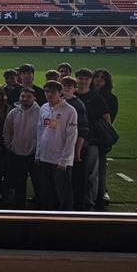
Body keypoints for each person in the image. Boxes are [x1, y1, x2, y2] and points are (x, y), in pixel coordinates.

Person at [35, 81, 78, 210]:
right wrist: (38, 153)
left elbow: (71, 137)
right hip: (45, 157)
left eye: (53, 92)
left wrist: (64, 160)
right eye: (47, 91)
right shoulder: (43, 108)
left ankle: (65, 217)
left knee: (63, 193)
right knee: (47, 191)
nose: (49, 94)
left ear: (60, 93)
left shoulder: (69, 111)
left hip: (60, 161)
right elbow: (40, 131)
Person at [75, 68, 112, 212]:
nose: (83, 81)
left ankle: (89, 201)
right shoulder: (72, 95)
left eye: (86, 79)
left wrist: (103, 136)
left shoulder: (96, 97)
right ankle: (76, 198)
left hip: (92, 141)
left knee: (91, 173)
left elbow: (106, 118)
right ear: (76, 79)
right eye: (80, 78)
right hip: (72, 140)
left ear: (90, 80)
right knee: (75, 171)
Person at [2, 86, 40, 208]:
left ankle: (40, 207)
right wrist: (9, 145)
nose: (25, 99)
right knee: (19, 182)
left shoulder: (40, 113)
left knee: (38, 182)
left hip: (34, 153)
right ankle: (20, 208)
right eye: (23, 96)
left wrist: (38, 150)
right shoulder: (13, 113)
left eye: (28, 96)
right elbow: (7, 130)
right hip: (16, 152)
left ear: (34, 98)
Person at [60, 76, 91, 210]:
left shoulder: (77, 105)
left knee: (77, 180)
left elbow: (83, 130)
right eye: (64, 85)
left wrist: (77, 150)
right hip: (64, 147)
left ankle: (78, 209)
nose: (66, 88)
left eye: (69, 86)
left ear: (75, 89)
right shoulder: (60, 102)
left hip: (76, 148)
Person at [92, 68, 119, 209]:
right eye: (96, 76)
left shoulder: (111, 98)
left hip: (101, 137)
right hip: (89, 136)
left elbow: (109, 120)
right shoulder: (87, 94)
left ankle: (101, 194)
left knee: (101, 166)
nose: (98, 80)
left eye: (102, 78)